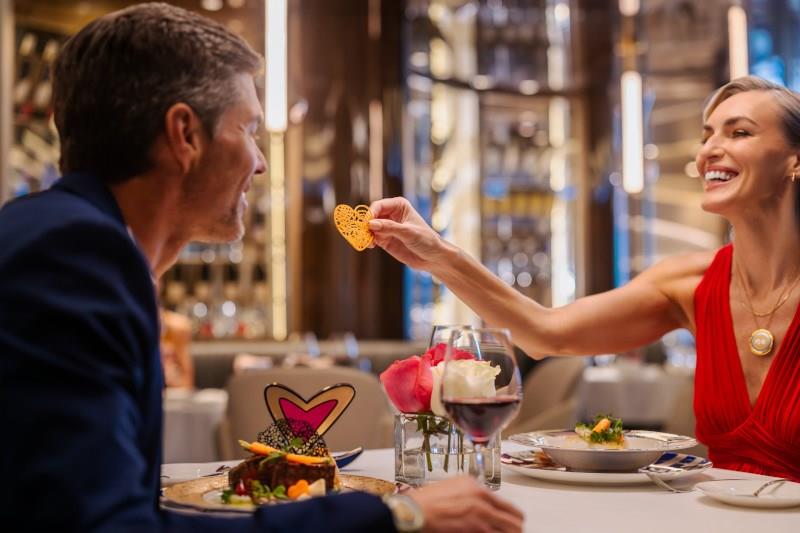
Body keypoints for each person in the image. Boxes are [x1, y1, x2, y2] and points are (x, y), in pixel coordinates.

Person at [0, 4, 523, 532]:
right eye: (248, 128)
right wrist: (395, 516)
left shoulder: (60, 239)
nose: (261, 161)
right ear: (185, 135)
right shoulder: (74, 258)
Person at [369, 75, 800, 482]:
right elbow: (545, 333)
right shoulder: (689, 283)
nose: (709, 150)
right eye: (707, 136)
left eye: (738, 133)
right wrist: (438, 256)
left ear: (794, 160)